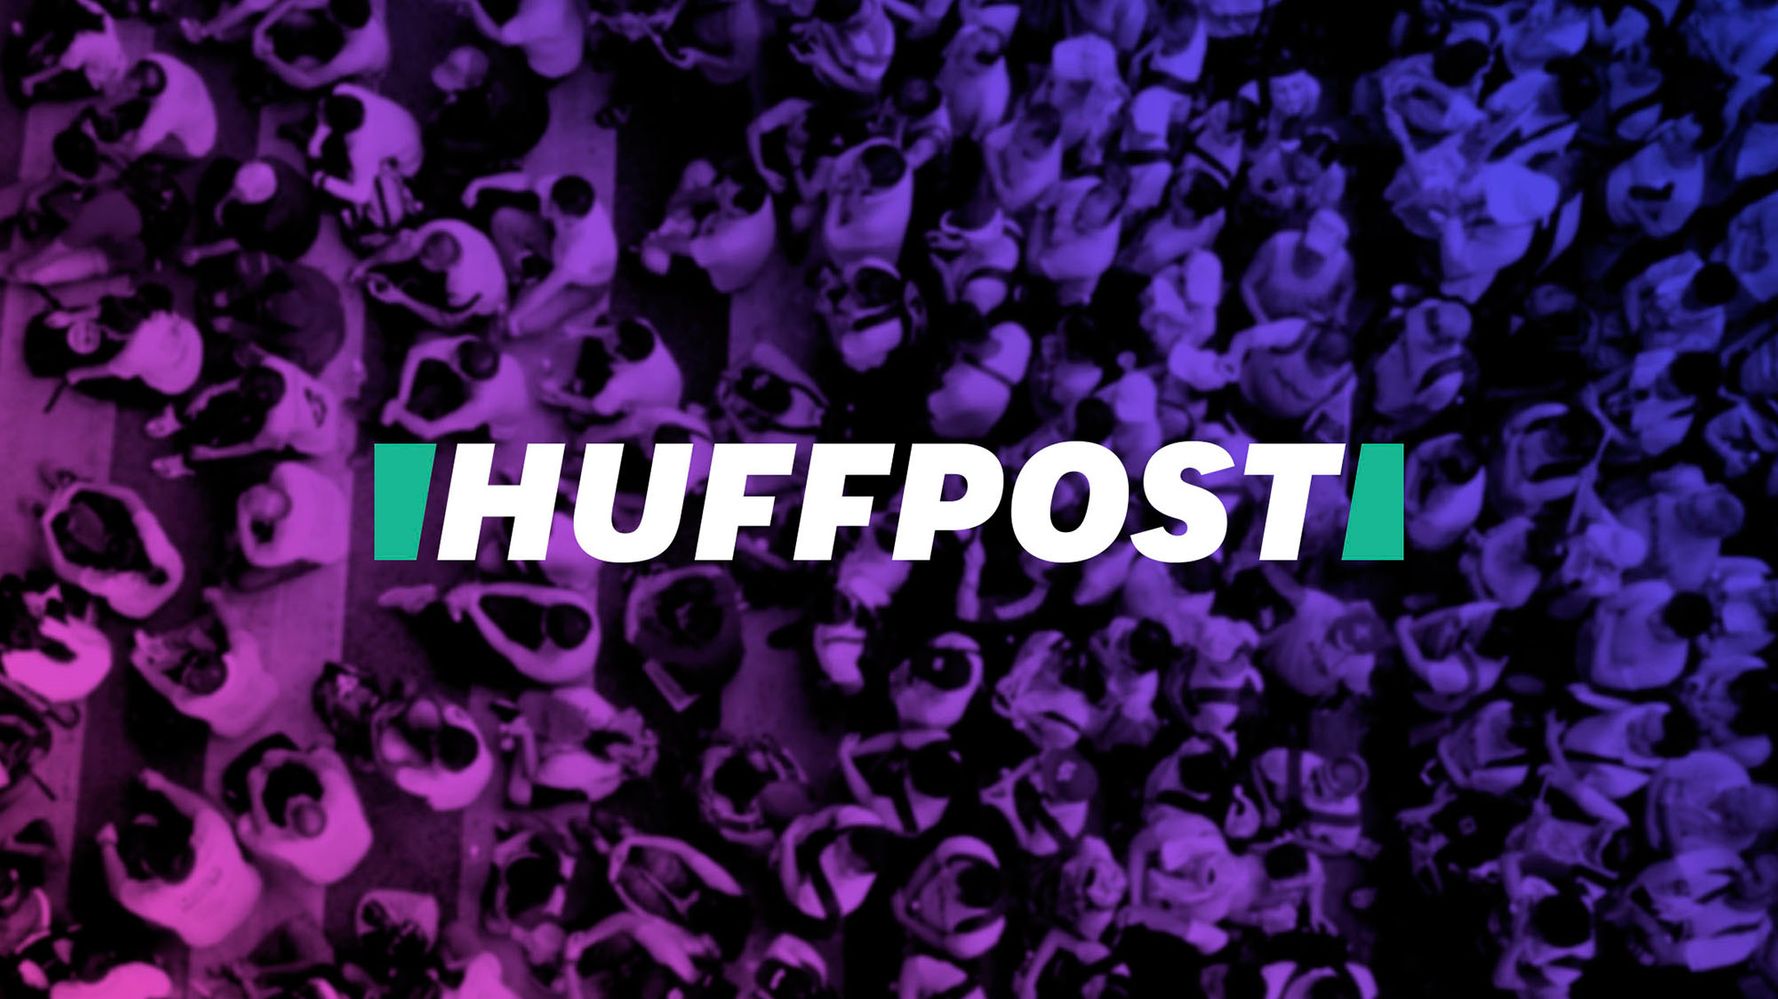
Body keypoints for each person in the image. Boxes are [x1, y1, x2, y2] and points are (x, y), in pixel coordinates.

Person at [99, 771, 263, 948]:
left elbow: (119, 889)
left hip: (210, 936)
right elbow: (200, 808)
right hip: (249, 892)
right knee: (212, 815)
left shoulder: (154, 901)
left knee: (146, 917)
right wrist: (163, 784)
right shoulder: (214, 835)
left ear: (147, 868)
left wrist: (107, 843)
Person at [130, 588, 279, 738]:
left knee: (197, 631)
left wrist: (140, 664)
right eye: (199, 661)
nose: (189, 664)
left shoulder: (193, 705)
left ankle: (163, 646)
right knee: (213, 624)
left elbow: (166, 687)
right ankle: (169, 647)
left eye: (186, 673)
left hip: (234, 728)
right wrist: (217, 599)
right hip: (265, 698)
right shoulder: (246, 656)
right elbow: (234, 626)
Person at [233, 741, 374, 885]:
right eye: (300, 799)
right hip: (362, 843)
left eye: (290, 807)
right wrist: (287, 755)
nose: (291, 799)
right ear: (320, 804)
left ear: (291, 830)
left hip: (327, 876)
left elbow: (264, 829)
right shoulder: (340, 796)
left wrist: (255, 787)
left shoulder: (284, 846)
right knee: (326, 759)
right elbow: (322, 768)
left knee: (244, 825)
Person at [350, 218, 509, 329]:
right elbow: (404, 249)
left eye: (427, 259)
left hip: (483, 305)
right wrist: (366, 264)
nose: (421, 258)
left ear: (445, 266)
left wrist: (402, 299)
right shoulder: (439, 228)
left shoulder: (464, 285)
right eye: (423, 252)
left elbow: (448, 320)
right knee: (404, 243)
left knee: (401, 318)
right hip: (481, 259)